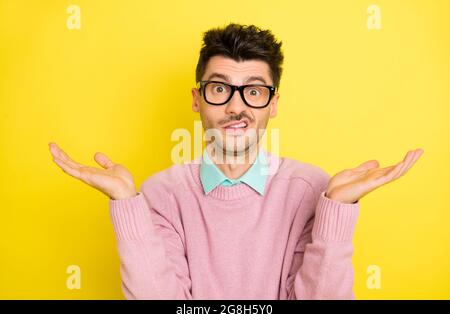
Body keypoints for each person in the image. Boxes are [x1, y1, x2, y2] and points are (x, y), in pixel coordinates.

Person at [48, 23, 423, 299]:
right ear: (197, 99)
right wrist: (127, 203)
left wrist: (337, 212)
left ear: (273, 105)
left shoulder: (312, 190)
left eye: (254, 91)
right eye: (219, 88)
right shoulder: (161, 195)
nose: (236, 106)